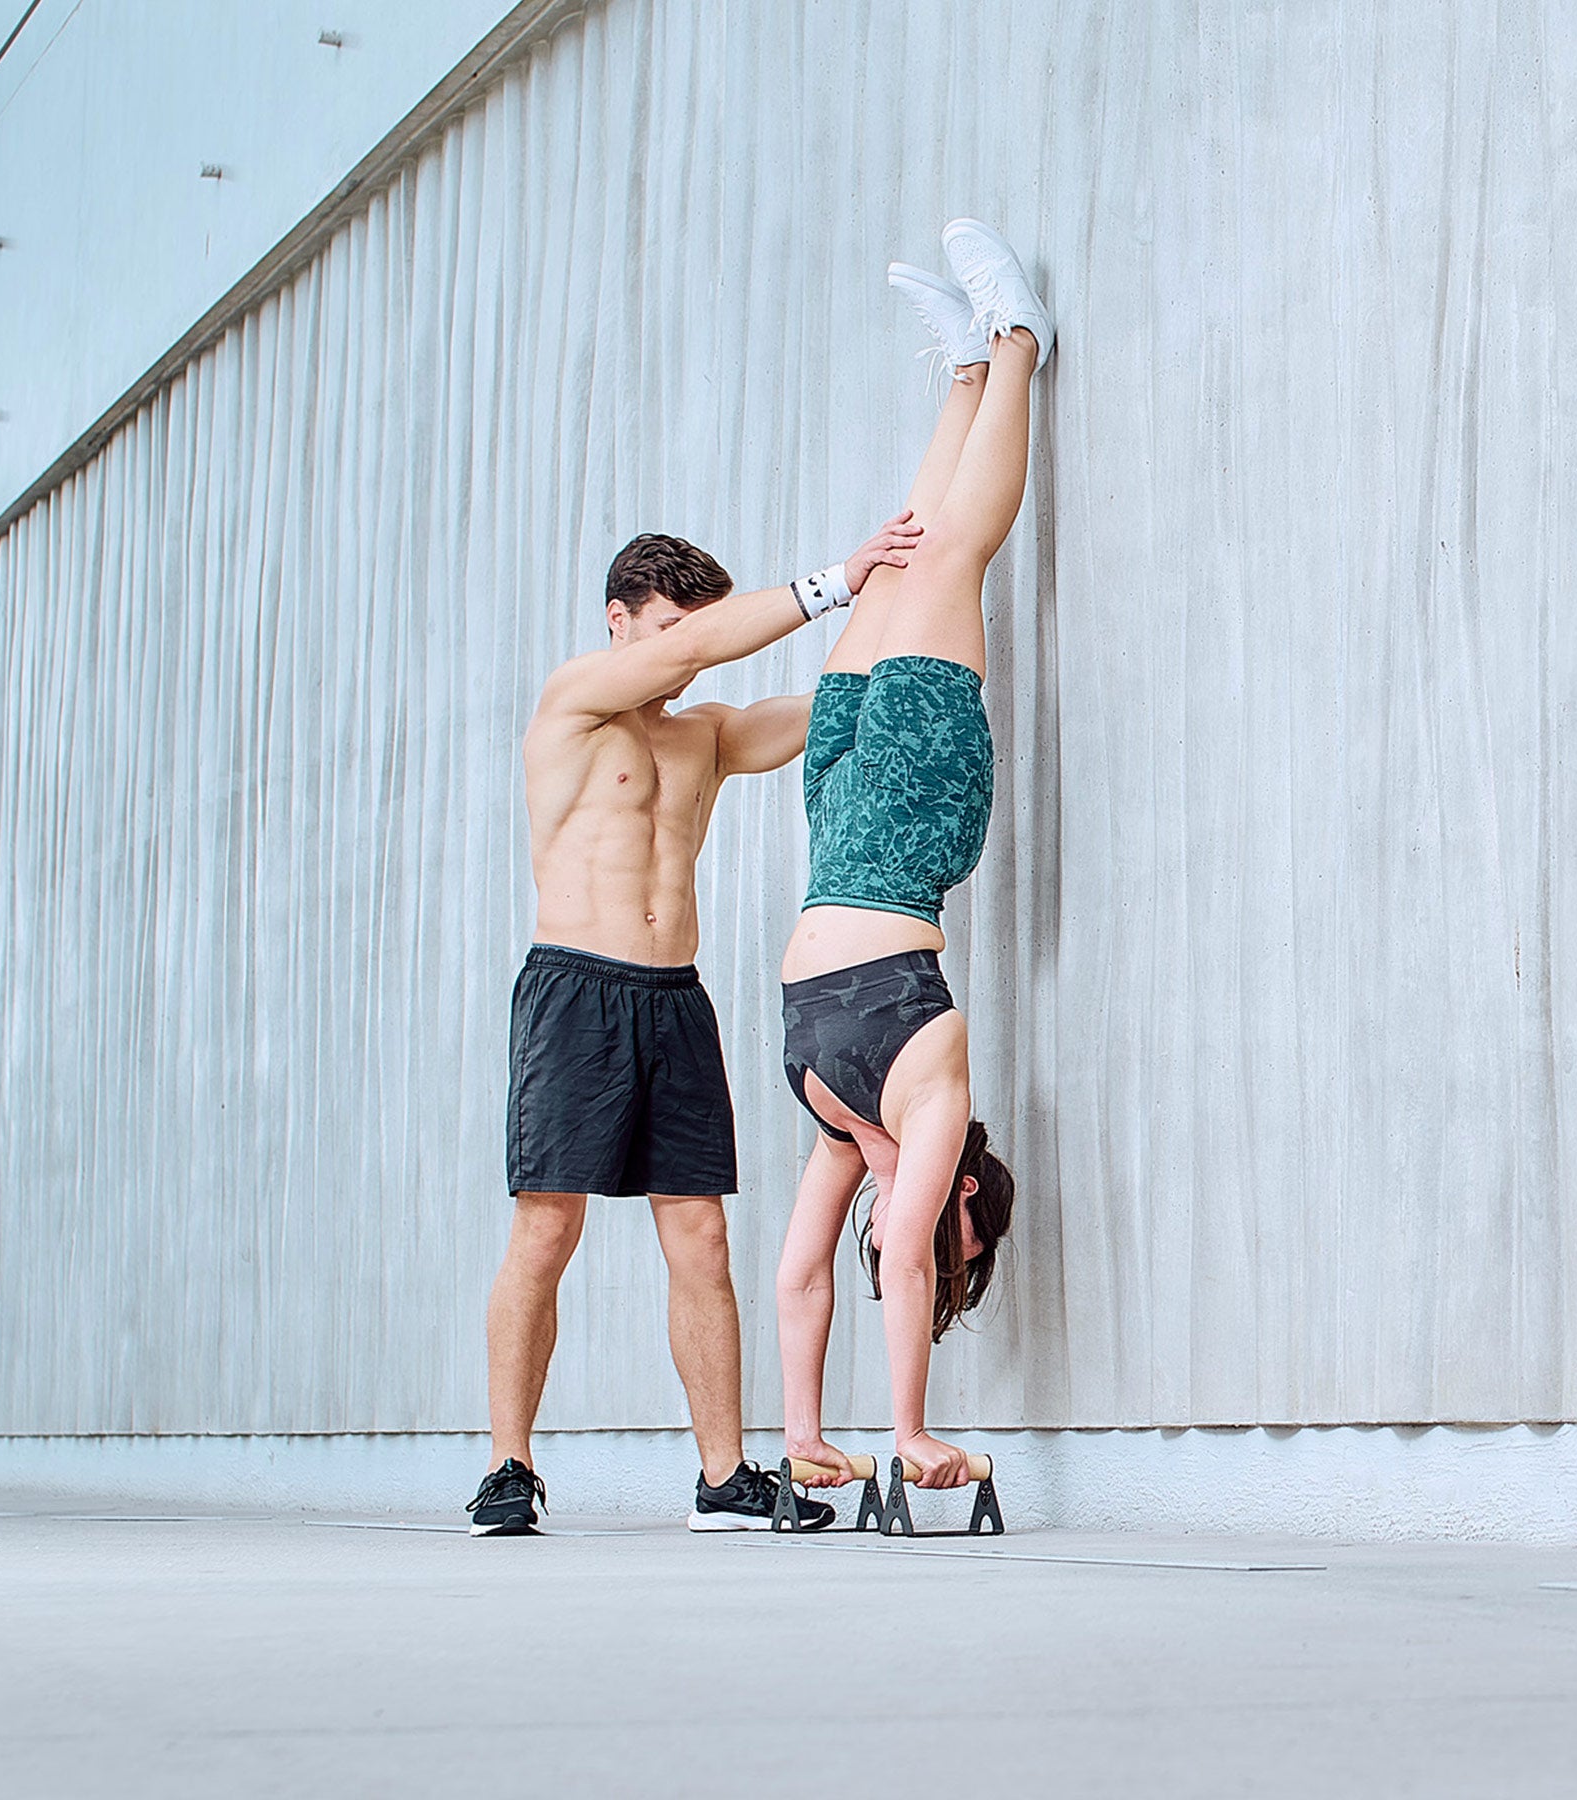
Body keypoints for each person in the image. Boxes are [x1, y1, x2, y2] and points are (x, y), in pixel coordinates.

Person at [467, 513, 922, 1536]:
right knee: (547, 1229)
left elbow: (829, 708)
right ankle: (507, 1467)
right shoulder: (575, 700)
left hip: (675, 1001)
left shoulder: (703, 734)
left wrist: (899, 606)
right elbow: (696, 649)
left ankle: (724, 1479)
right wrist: (835, 581)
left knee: (701, 1237)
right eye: (667, 629)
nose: (682, 653)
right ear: (617, 621)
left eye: (694, 631)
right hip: (574, 991)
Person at [775, 220, 1050, 1492]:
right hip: (909, 842)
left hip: (835, 826)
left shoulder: (843, 1129)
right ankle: (1017, 343)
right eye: (946, 1223)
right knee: (947, 561)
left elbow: (797, 1275)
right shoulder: (927, 1100)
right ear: (956, 1209)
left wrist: (803, 1436)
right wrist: (910, 1434)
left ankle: (955, 379)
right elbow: (896, 1239)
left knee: (884, 576)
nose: (919, 1224)